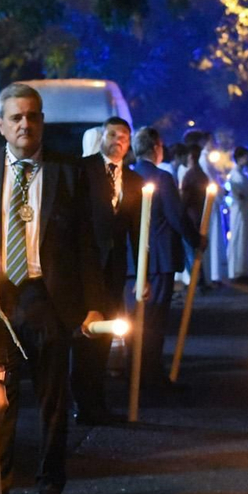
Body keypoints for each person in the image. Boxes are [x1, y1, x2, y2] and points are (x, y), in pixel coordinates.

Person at [0, 83, 103, 494]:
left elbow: (88, 243)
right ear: (1, 125)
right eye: (17, 117)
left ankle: (49, 487)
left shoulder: (69, 171)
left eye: (34, 116)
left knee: (52, 401)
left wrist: (92, 305)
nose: (26, 124)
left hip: (48, 299)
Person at [74, 117, 143, 423]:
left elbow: (137, 231)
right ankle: (82, 402)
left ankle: (96, 401)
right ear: (102, 136)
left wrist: (142, 273)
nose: (118, 140)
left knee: (107, 335)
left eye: (124, 137)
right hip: (85, 266)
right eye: (113, 134)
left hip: (115, 269)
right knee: (86, 333)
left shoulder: (134, 180)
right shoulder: (83, 170)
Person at [130, 127, 190, 386]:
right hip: (161, 258)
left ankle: (135, 368)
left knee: (137, 317)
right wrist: (197, 240)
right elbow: (176, 217)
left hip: (135, 258)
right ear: (156, 147)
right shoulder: (162, 178)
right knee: (155, 318)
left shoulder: (130, 176)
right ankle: (151, 371)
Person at [225, 146, 248, 281]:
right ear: (240, 158)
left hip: (245, 211)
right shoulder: (236, 175)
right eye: (246, 157)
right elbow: (245, 193)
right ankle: (238, 270)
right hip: (240, 212)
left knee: (246, 239)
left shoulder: (241, 175)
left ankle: (244, 270)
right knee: (240, 238)